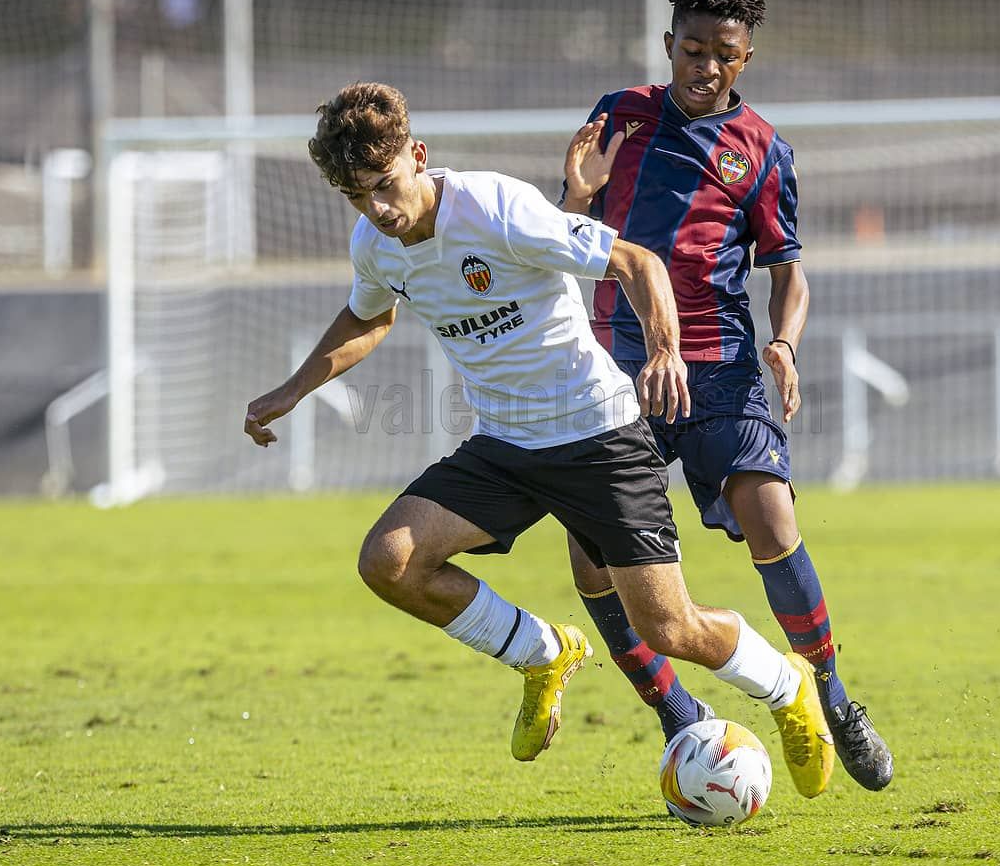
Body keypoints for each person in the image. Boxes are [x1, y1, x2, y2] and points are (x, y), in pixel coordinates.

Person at [243, 82, 834, 795]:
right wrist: (289, 391)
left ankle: (785, 685)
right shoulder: (376, 242)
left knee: (669, 628)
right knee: (389, 560)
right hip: (505, 447)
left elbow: (638, 263)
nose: (378, 208)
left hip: (599, 436)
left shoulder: (496, 207)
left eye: (385, 184)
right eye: (358, 196)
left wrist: (664, 351)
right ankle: (541, 652)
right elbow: (369, 317)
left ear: (418, 156)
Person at [558, 0, 894, 794]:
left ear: (746, 59)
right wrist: (574, 193)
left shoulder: (765, 151)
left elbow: (789, 271)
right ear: (670, 43)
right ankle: (678, 716)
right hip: (618, 367)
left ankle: (833, 698)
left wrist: (785, 343)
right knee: (593, 560)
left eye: (725, 54)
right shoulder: (619, 116)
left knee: (769, 511)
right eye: (693, 47)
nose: (705, 65)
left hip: (720, 366)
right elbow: (558, 235)